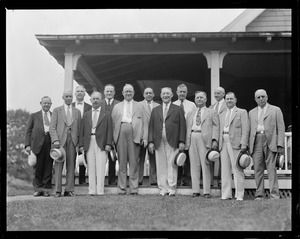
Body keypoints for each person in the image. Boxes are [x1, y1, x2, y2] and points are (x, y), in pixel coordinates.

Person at [148, 87, 186, 196]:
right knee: (160, 164)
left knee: (171, 164)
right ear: (160, 95)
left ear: (172, 95)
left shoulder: (177, 109)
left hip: (172, 140)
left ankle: (171, 187)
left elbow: (182, 126)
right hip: (158, 141)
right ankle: (163, 188)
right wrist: (151, 141)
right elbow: (151, 127)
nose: (165, 95)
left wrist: (181, 141)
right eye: (163, 93)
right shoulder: (155, 110)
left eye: (168, 94)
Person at [249, 89, 285, 200]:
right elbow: (248, 130)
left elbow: (281, 128)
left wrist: (280, 144)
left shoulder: (275, 110)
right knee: (258, 169)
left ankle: (274, 195)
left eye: (263, 96)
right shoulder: (251, 112)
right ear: (255, 99)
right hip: (256, 140)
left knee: (271, 169)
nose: (261, 99)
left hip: (270, 140)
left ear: (267, 97)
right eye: (258, 97)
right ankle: (259, 194)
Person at [111, 84, 147, 195]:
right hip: (121, 131)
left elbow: (145, 123)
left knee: (133, 162)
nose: (128, 93)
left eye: (130, 91)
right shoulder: (117, 106)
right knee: (122, 162)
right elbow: (113, 124)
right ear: (122, 93)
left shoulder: (140, 106)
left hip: (134, 132)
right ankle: (122, 188)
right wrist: (113, 140)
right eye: (126, 91)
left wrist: (144, 137)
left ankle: (134, 188)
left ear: (134, 93)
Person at [185, 91, 219, 198]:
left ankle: (206, 191)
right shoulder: (191, 113)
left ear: (205, 99)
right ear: (195, 100)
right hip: (192, 137)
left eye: (201, 97)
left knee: (205, 165)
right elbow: (187, 127)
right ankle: (195, 190)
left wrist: (214, 140)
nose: (199, 99)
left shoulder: (211, 112)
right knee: (194, 165)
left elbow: (216, 126)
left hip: (205, 139)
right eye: (197, 98)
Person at [79, 91, 113, 195]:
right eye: (93, 99)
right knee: (91, 167)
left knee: (101, 166)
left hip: (102, 142)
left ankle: (100, 191)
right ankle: (92, 191)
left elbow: (109, 130)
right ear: (90, 100)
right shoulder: (86, 115)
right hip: (89, 142)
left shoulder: (106, 114)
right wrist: (81, 145)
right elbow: (82, 131)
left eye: (97, 99)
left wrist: (108, 144)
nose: (95, 100)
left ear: (101, 100)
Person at [49, 90, 81, 197]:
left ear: (72, 98)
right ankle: (58, 190)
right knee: (58, 166)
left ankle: (69, 190)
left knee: (71, 166)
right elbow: (52, 127)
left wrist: (78, 143)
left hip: (72, 140)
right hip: (60, 141)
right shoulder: (57, 110)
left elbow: (79, 129)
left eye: (70, 96)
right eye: (66, 96)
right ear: (63, 97)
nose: (68, 98)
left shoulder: (77, 111)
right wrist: (55, 140)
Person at [219, 92, 249, 201]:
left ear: (235, 100)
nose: (229, 101)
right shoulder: (222, 114)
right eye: (227, 99)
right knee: (225, 169)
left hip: (236, 143)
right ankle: (226, 194)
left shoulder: (241, 112)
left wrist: (244, 143)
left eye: (231, 99)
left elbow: (246, 129)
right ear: (225, 100)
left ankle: (239, 195)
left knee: (237, 168)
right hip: (223, 142)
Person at [24, 96, 53, 197]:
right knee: (38, 168)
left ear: (51, 104)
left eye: (48, 103)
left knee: (48, 167)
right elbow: (28, 131)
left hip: (50, 143)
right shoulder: (34, 116)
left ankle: (46, 190)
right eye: (45, 103)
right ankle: (37, 189)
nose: (46, 105)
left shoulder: (54, 115)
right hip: (37, 144)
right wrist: (27, 145)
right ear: (40, 103)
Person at [173, 84, 196, 186]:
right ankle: (176, 180)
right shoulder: (172, 104)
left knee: (188, 159)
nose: (182, 93)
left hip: (188, 134)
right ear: (177, 92)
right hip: (176, 135)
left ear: (187, 93)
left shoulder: (192, 105)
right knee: (176, 158)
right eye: (180, 91)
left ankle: (186, 180)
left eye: (184, 92)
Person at [138, 87, 159, 186]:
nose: (148, 95)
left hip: (154, 136)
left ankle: (153, 180)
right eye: (146, 93)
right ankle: (138, 179)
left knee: (153, 159)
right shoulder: (138, 105)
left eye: (150, 93)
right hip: (142, 136)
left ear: (153, 94)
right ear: (143, 95)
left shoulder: (158, 106)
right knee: (140, 159)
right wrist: (141, 136)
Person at [72, 85, 92, 185]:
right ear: (75, 94)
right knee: (71, 159)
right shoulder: (70, 106)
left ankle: (82, 181)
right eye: (78, 91)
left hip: (84, 136)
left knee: (83, 158)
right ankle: (70, 181)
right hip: (72, 136)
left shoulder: (90, 107)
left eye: (82, 91)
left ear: (85, 94)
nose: (80, 93)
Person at [209, 86, 227, 187]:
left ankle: (221, 182)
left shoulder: (228, 105)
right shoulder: (211, 107)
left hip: (224, 137)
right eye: (215, 93)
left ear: (223, 94)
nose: (216, 95)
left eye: (219, 93)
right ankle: (211, 182)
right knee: (211, 158)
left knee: (223, 161)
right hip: (213, 136)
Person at [103, 84, 120, 185]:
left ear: (114, 93)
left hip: (115, 135)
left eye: (111, 91)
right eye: (107, 91)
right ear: (104, 92)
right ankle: (99, 180)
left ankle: (112, 180)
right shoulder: (99, 104)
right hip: (102, 135)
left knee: (113, 158)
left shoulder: (119, 104)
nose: (109, 93)